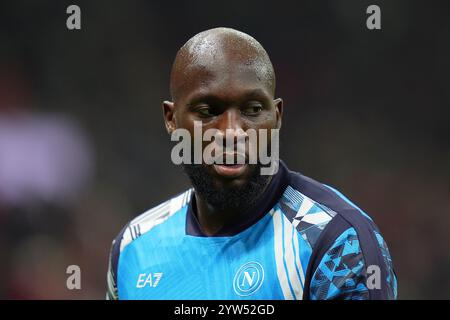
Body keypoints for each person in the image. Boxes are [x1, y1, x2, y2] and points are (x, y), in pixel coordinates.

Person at [106, 27, 397, 300]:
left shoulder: (335, 243)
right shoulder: (134, 247)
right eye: (208, 111)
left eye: (253, 109)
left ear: (277, 115)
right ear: (172, 119)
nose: (232, 131)